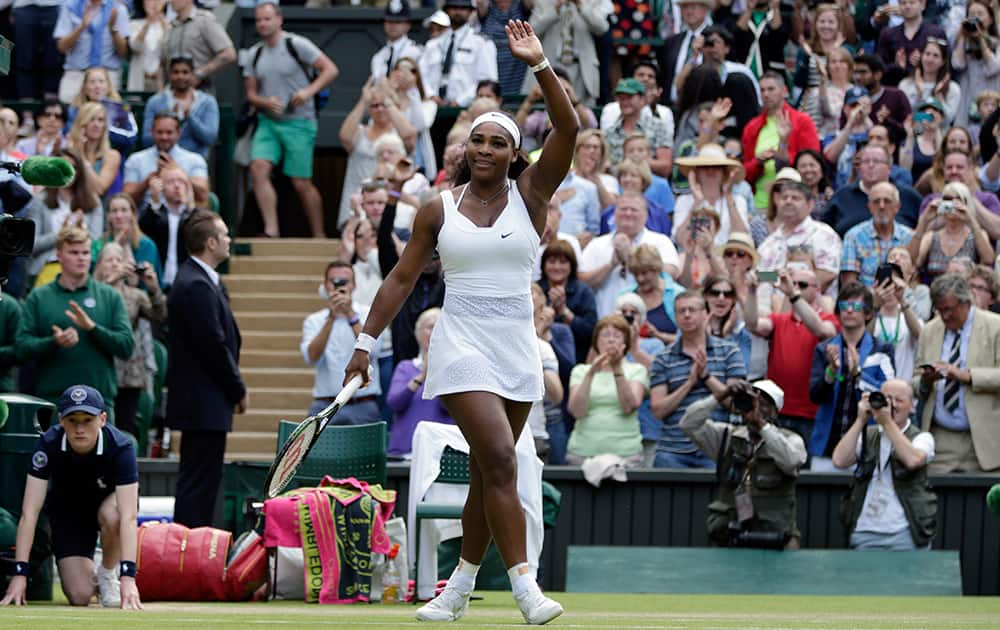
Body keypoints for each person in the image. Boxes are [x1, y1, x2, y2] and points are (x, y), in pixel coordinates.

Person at [343, 20, 570, 624]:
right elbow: (398, 280)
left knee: (485, 476)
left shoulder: (534, 195)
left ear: (514, 153)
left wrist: (540, 65)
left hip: (516, 343)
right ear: (465, 150)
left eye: (498, 142)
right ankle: (526, 586)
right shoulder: (435, 209)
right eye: (478, 141)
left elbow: (569, 128)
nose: (487, 150)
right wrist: (365, 344)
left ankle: (459, 587)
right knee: (500, 456)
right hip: (461, 339)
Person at [0, 385, 142, 609]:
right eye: (72, 420)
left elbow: (129, 517)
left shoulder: (121, 447)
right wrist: (20, 575)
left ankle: (107, 572)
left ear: (102, 419)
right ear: (61, 421)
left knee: (114, 514)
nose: (79, 428)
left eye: (87, 420)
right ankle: (91, 566)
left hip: (109, 507)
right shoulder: (48, 444)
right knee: (79, 596)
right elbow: (30, 513)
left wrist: (128, 578)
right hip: (70, 512)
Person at [167, 210, 246, 527]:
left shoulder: (201, 281)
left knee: (202, 483)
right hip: (202, 402)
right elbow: (213, 346)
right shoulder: (195, 285)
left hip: (206, 403)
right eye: (224, 234)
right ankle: (186, 555)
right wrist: (236, 388)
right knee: (197, 486)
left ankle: (191, 552)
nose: (229, 240)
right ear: (211, 242)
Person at [16, 226, 134, 415]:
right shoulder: (39, 297)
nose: (81, 258)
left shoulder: (109, 296)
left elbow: (126, 346)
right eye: (74, 252)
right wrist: (53, 342)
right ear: (59, 255)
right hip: (53, 403)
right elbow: (21, 348)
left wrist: (93, 328)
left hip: (99, 403)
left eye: (86, 252)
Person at [245, 1, 339, 238]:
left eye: (267, 19)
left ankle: (319, 235)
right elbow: (251, 94)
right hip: (269, 122)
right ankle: (271, 230)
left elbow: (330, 70)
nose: (263, 24)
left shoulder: (296, 44)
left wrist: (308, 92)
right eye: (259, 20)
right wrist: (264, 102)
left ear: (279, 19)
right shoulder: (254, 53)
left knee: (301, 182)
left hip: (300, 121)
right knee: (258, 168)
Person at [681, 379, 806, 549]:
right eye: (752, 403)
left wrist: (761, 425)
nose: (756, 410)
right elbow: (688, 424)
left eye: (763, 405)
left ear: (775, 412)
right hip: (731, 534)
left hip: (775, 538)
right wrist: (721, 395)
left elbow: (791, 461)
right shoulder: (727, 437)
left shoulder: (791, 440)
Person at [832, 379, 936, 550]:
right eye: (887, 399)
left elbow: (913, 460)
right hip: (865, 532)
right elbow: (839, 460)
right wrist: (860, 420)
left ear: (912, 406)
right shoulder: (868, 435)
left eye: (899, 400)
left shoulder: (922, 438)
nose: (892, 405)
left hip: (907, 533)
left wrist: (887, 422)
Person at [649, 290, 747, 468]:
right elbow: (658, 411)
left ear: (705, 314)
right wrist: (688, 384)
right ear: (676, 318)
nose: (687, 315)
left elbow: (736, 405)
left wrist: (707, 377)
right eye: (681, 311)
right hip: (673, 451)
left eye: (692, 310)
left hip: (715, 448)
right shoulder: (662, 358)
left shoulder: (729, 351)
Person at [913, 273, 1000, 473]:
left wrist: (967, 376)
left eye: (949, 309)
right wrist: (926, 381)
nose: (945, 316)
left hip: (986, 442)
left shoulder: (995, 326)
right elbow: (914, 382)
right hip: (939, 441)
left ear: (965, 302)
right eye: (939, 310)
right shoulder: (929, 331)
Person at [745, 267, 838, 446]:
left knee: (806, 471)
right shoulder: (780, 319)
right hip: (776, 410)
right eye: (792, 284)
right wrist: (751, 291)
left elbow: (819, 329)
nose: (795, 288)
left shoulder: (829, 319)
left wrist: (793, 295)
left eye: (802, 285)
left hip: (811, 413)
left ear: (817, 290)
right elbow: (752, 324)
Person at [809, 282, 896, 471]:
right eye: (844, 306)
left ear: (868, 313)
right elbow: (815, 396)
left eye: (856, 306)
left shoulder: (882, 349)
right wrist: (832, 373)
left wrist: (858, 374)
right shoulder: (824, 348)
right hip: (827, 447)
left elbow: (887, 395)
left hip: (867, 447)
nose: (849, 311)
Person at [93, 242, 166, 439]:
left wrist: (153, 288)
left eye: (119, 260)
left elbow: (160, 316)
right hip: (100, 367)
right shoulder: (93, 290)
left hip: (129, 372)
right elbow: (90, 307)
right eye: (110, 260)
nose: (115, 264)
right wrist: (110, 281)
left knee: (124, 427)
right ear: (99, 265)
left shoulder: (135, 295)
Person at [302, 261, 384, 423]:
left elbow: (375, 351)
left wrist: (351, 316)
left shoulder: (368, 314)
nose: (338, 285)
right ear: (325, 286)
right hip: (325, 404)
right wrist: (331, 318)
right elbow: (311, 357)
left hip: (363, 403)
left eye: (344, 281)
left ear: (353, 285)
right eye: (334, 281)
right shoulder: (314, 320)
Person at [579, 192, 680, 317]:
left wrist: (630, 257)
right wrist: (611, 265)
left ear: (646, 215)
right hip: (606, 321)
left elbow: (670, 274)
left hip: (649, 322)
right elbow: (582, 282)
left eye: (634, 210)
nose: (628, 213)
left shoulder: (660, 241)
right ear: (614, 214)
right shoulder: (597, 244)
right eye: (623, 209)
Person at [565, 314, 647, 466]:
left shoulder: (637, 370)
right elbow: (577, 411)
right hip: (582, 454)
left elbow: (628, 407)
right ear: (596, 341)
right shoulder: (580, 371)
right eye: (605, 335)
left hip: (626, 455)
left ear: (625, 342)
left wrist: (616, 368)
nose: (611, 340)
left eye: (617, 335)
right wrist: (591, 374)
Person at [337, 84, 415, 231]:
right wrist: (363, 101)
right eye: (374, 105)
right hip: (360, 203)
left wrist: (389, 101)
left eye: (383, 105)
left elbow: (410, 136)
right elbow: (344, 136)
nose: (379, 109)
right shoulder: (358, 132)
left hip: (392, 205)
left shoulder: (399, 133)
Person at [24, 147, 104, 290]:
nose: (68, 172)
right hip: (47, 267)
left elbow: (96, 243)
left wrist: (81, 231)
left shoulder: (93, 201)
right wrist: (61, 234)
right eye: (63, 166)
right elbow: (30, 244)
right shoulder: (39, 201)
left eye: (73, 167)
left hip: (83, 271)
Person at [741, 72, 821, 212]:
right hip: (761, 203)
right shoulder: (752, 127)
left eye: (771, 89)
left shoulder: (803, 122)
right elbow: (745, 172)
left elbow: (813, 165)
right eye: (762, 90)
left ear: (784, 91)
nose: (766, 94)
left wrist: (781, 155)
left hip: (796, 202)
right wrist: (758, 163)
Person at [386, 307, 453, 459]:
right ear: (418, 333)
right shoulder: (405, 367)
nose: (435, 332)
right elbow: (394, 403)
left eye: (440, 327)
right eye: (430, 327)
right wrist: (422, 376)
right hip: (405, 452)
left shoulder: (453, 370)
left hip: (444, 454)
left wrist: (437, 373)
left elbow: (447, 407)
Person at [823, 144, 922, 238]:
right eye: (865, 162)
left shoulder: (909, 196)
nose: (871, 165)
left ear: (889, 167)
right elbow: (825, 231)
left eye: (876, 161)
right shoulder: (841, 197)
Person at [524, 0, 608, 107]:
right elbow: (532, 30)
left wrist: (581, 5)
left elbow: (602, 28)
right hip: (550, 65)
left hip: (582, 70)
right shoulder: (543, 2)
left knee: (582, 112)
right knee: (548, 109)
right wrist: (556, 9)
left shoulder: (592, 2)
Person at [420, 0, 499, 108]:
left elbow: (488, 81)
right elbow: (421, 74)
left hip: (468, 109)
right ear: (446, 11)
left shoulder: (481, 43)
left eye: (463, 8)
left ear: (471, 12)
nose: (458, 11)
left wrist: (460, 102)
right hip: (433, 107)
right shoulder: (433, 44)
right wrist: (431, 95)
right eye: (454, 7)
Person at [123, 112, 209, 208]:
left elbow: (203, 195)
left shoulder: (195, 160)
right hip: (145, 219)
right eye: (159, 132)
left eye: (169, 132)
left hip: (184, 219)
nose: (164, 137)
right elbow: (126, 199)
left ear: (178, 133)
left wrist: (179, 173)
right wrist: (148, 181)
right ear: (152, 132)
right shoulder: (135, 160)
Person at [912, 182, 995, 282]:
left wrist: (970, 220)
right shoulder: (931, 237)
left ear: (966, 203)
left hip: (966, 293)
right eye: (948, 199)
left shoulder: (978, 235)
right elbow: (914, 262)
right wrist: (924, 220)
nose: (953, 203)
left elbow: (988, 260)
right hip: (934, 293)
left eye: (958, 199)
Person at [673, 143, 750, 248]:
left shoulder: (738, 200)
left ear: (724, 173)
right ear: (697, 173)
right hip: (695, 259)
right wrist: (696, 203)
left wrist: (729, 197)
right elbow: (680, 239)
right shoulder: (684, 200)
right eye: (705, 167)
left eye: (716, 167)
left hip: (728, 259)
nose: (710, 171)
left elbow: (742, 238)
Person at [142, 56, 220, 159]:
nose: (180, 76)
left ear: (192, 75)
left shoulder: (208, 102)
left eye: (185, 72)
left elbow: (210, 138)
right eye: (176, 72)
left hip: (195, 161)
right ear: (169, 75)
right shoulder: (155, 102)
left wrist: (190, 117)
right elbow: (146, 139)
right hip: (161, 160)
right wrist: (168, 122)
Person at [840, 181, 915, 287]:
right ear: (869, 207)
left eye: (887, 201)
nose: (881, 206)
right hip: (866, 300)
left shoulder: (909, 236)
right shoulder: (854, 236)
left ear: (897, 207)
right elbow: (849, 284)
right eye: (876, 201)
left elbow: (915, 278)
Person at [54, 0, 130, 104]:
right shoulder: (70, 7)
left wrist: (113, 29)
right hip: (77, 72)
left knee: (111, 105)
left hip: (108, 73)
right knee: (66, 101)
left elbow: (123, 52)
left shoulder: (118, 9)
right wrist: (81, 27)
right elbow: (61, 47)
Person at [538, 239, 597, 366]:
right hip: (539, 356)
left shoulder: (583, 292)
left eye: (563, 262)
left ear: (572, 266)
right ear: (544, 265)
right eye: (552, 262)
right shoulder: (535, 290)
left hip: (576, 357)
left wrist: (565, 312)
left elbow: (591, 331)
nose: (557, 267)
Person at [137, 165, 197, 289]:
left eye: (181, 181)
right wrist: (154, 201)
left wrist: (191, 208)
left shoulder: (194, 215)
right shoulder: (155, 213)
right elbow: (143, 228)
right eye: (171, 181)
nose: (177, 185)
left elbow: (199, 234)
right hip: (158, 281)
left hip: (187, 282)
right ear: (161, 187)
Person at [162, 0, 236, 91]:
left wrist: (199, 74)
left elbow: (229, 54)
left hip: (201, 90)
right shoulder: (171, 27)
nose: (171, 1)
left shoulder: (204, 21)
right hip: (174, 92)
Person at [604, 78, 672, 176]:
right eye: (622, 98)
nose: (625, 102)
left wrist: (637, 160)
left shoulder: (658, 127)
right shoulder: (609, 132)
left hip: (649, 185)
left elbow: (666, 166)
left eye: (629, 97)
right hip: (615, 186)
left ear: (642, 99)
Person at [65, 67, 138, 155]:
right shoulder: (74, 110)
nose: (97, 86)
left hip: (113, 158)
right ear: (84, 87)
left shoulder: (121, 109)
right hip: (81, 155)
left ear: (108, 86)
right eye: (92, 82)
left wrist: (102, 128)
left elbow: (131, 139)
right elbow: (71, 135)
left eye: (101, 81)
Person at [952, 0, 1000, 128]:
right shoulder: (964, 42)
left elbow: (993, 68)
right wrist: (962, 35)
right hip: (968, 98)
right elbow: (957, 64)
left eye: (980, 13)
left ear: (990, 19)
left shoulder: (997, 42)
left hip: (992, 96)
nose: (976, 18)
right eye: (972, 14)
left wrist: (981, 38)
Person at [874, 0, 946, 86]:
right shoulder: (888, 34)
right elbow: (879, 67)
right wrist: (897, 66)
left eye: (912, 2)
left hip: (928, 88)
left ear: (922, 4)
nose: (907, 6)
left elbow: (945, 64)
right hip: (895, 87)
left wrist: (924, 61)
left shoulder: (936, 33)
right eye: (903, 3)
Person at [898, 37, 960, 124]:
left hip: (941, 136)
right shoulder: (905, 85)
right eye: (927, 54)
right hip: (914, 135)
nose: (930, 59)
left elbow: (947, 120)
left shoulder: (953, 88)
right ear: (921, 56)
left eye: (936, 56)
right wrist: (920, 95)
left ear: (943, 61)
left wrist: (938, 99)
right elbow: (907, 117)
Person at [66, 101, 121, 198]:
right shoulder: (69, 151)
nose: (96, 124)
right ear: (82, 124)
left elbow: (99, 189)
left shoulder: (112, 155)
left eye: (100, 120)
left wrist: (81, 157)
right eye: (91, 119)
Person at [371, 0, 424, 81]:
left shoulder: (417, 52)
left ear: (408, 25)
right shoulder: (379, 56)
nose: (393, 25)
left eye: (398, 22)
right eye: (389, 21)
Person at [127, 0, 168, 92]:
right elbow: (135, 46)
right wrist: (148, 23)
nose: (154, 3)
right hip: (139, 78)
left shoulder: (170, 25)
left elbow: (170, 49)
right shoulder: (134, 24)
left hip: (161, 80)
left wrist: (163, 22)